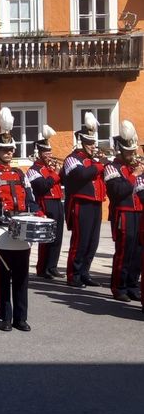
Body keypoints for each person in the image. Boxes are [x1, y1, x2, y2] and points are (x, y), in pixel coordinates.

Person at [0, 108, 39, 332]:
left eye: (10, 149)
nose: (9, 153)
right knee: (3, 275)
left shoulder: (21, 175)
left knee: (22, 276)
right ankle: (5, 316)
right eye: (4, 150)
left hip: (22, 228)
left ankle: (20, 318)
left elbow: (31, 202)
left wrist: (38, 216)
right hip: (1, 229)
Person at [62, 112, 107, 288]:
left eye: (93, 142)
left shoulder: (92, 160)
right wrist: (99, 165)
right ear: (80, 142)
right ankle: (73, 274)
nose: (92, 146)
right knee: (80, 240)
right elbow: (81, 175)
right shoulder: (72, 159)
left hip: (95, 203)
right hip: (81, 203)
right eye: (89, 142)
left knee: (93, 241)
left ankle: (85, 272)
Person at [104, 120, 143, 302]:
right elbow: (117, 192)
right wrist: (134, 176)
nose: (133, 154)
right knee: (124, 250)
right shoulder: (112, 167)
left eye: (133, 151)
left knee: (138, 251)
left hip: (139, 212)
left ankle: (133, 285)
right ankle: (118, 287)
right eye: (129, 152)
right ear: (120, 150)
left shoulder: (135, 167)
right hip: (124, 212)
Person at [26, 126, 64, 279]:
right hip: (45, 203)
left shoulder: (50, 168)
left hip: (57, 202)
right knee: (46, 237)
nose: (50, 155)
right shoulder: (33, 170)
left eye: (50, 152)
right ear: (39, 153)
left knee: (58, 236)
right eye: (46, 153)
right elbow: (41, 187)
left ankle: (52, 266)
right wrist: (55, 174)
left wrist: (57, 172)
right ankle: (42, 268)